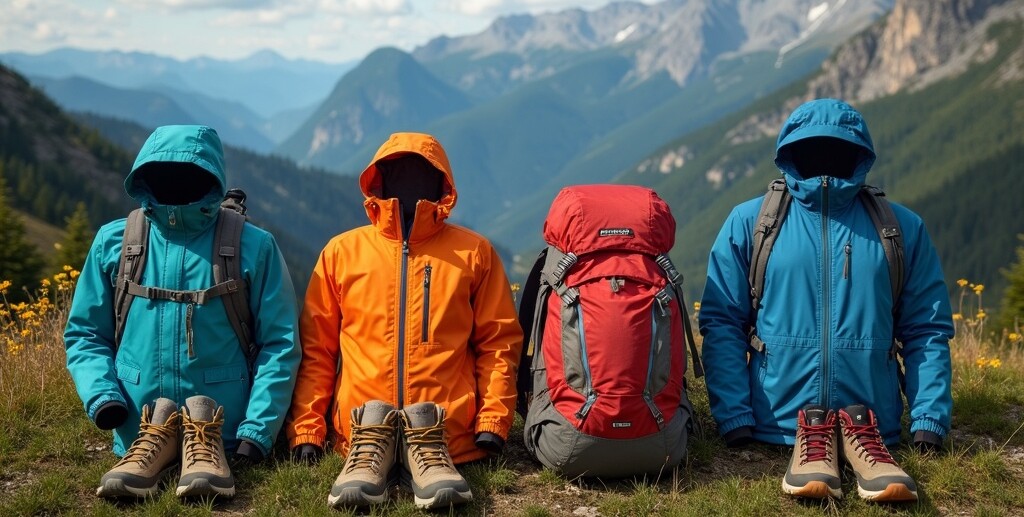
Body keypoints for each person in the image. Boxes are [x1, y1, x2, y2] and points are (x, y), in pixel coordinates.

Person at [699, 99, 954, 502]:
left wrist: (928, 420)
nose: (823, 159)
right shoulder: (752, 222)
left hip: (873, 425)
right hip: (773, 422)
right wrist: (735, 417)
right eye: (812, 148)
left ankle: (859, 445)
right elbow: (722, 322)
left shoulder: (901, 228)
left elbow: (927, 329)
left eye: (836, 149)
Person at [286, 132, 522, 510]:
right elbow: (318, 348)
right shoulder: (342, 253)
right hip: (359, 430)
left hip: (448, 433)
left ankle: (425, 448)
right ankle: (372, 446)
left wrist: (493, 421)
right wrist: (307, 428)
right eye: (398, 174)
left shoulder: (475, 253)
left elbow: (499, 343)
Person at [64, 125, 301, 499]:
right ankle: (154, 445)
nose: (175, 183)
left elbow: (280, 344)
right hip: (134, 427)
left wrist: (256, 430)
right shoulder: (116, 241)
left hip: (224, 432)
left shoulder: (253, 246)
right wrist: (102, 396)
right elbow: (85, 334)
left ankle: (196, 446)